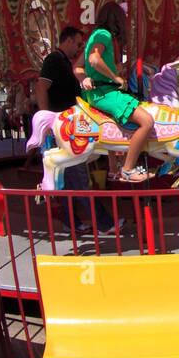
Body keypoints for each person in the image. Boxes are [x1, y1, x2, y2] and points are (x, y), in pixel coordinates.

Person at [38, 26, 114, 233]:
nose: (79, 48)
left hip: (68, 125)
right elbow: (41, 87)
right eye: (79, 44)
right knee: (79, 176)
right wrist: (46, 121)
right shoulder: (53, 60)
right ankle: (104, 224)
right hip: (63, 128)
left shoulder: (63, 62)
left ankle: (71, 222)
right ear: (69, 40)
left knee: (69, 180)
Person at [80, 3, 154, 182]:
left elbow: (81, 66)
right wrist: (115, 77)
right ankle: (128, 169)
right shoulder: (103, 34)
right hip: (104, 92)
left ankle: (114, 168)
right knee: (147, 121)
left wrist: (85, 77)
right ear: (116, 19)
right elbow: (94, 60)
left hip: (98, 92)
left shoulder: (95, 36)